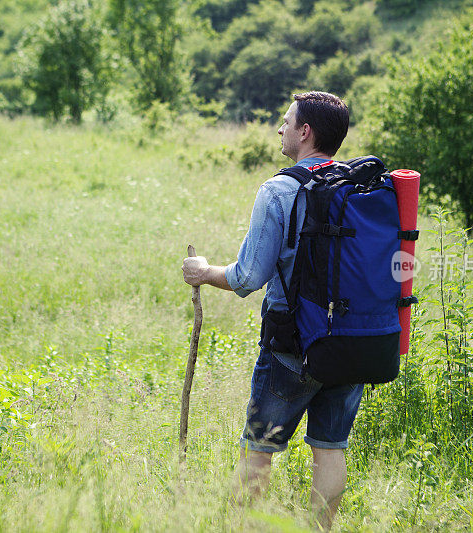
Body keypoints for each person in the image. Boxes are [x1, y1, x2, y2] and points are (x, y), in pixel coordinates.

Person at [182, 91, 359, 530]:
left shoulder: (279, 189)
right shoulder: (360, 186)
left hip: (292, 345)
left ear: (306, 132)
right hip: (353, 343)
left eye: (285, 122)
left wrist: (204, 272)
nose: (279, 129)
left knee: (259, 448)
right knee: (330, 448)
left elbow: (247, 277)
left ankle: (240, 527)